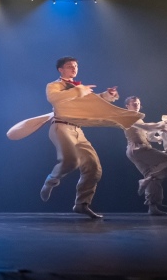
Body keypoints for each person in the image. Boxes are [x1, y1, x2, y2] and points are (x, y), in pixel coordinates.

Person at [38, 57, 142, 219]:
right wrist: (80, 90)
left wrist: (107, 95)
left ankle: (82, 204)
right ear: (60, 69)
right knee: (71, 161)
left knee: (94, 168)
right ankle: (51, 180)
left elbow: (90, 104)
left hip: (77, 130)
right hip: (60, 127)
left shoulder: (78, 87)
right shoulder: (54, 86)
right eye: (70, 66)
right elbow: (55, 99)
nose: (74, 68)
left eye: (76, 66)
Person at [123, 96, 167, 215]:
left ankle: (152, 208)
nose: (136, 105)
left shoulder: (138, 118)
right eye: (133, 103)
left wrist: (158, 137)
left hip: (136, 150)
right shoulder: (128, 117)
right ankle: (146, 180)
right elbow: (147, 127)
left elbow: (147, 134)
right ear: (127, 106)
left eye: (138, 103)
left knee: (153, 178)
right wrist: (162, 124)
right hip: (140, 149)